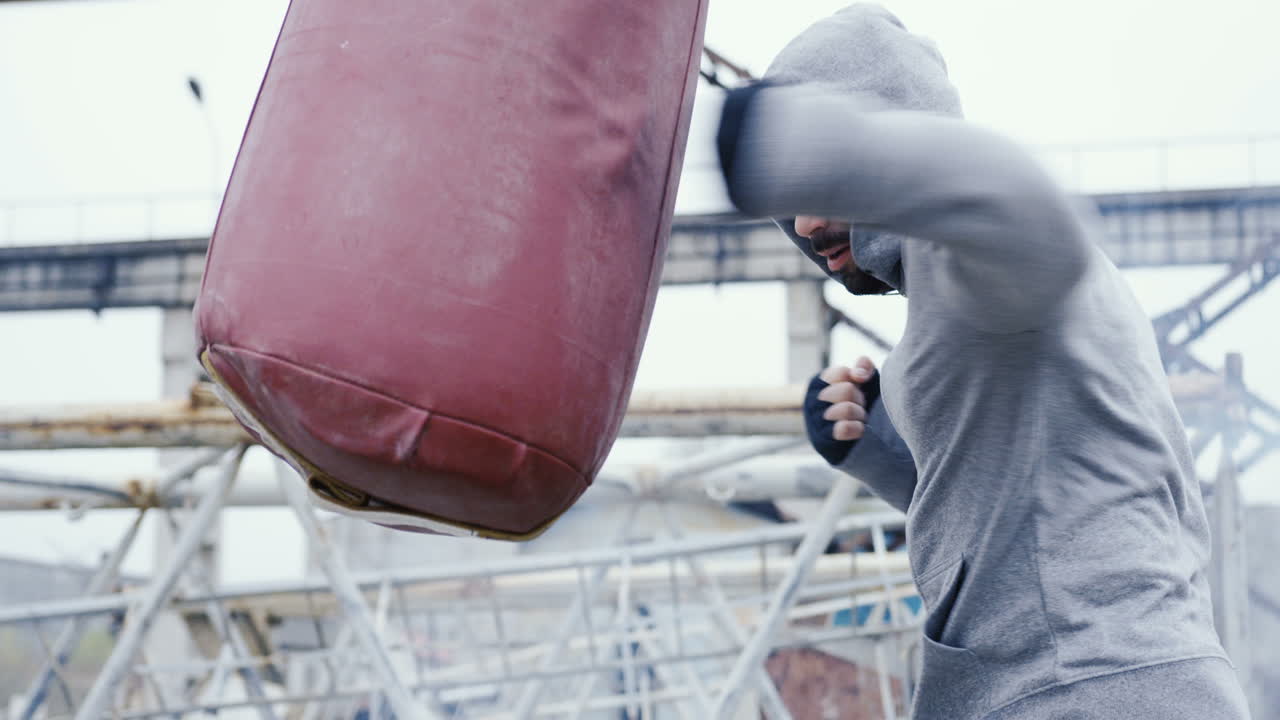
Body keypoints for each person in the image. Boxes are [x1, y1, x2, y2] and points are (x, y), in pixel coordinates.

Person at [715, 4, 1252, 719]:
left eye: (822, 186)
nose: (809, 226)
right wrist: (871, 445)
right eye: (791, 201)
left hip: (1087, 689)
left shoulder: (972, 255)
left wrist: (813, 143)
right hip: (1073, 685)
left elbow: (1029, 207)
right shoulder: (958, 307)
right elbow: (999, 512)